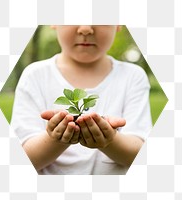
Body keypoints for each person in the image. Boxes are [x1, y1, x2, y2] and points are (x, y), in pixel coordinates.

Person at [11, 25, 152, 175]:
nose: (85, 29)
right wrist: (55, 139)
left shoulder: (133, 76)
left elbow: (139, 154)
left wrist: (110, 140)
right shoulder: (34, 76)